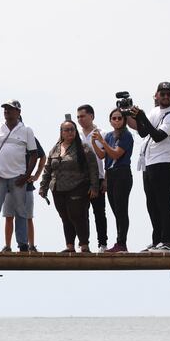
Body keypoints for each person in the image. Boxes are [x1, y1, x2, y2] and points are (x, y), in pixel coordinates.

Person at [128, 81, 170, 252]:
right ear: (156, 95)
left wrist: (143, 116)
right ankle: (159, 240)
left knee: (164, 202)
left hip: (166, 162)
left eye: (169, 94)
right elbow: (145, 133)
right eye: (163, 93)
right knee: (152, 203)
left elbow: (159, 136)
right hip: (150, 162)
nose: (166, 96)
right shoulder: (155, 111)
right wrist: (137, 117)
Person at [0, 100, 39, 252]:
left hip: (18, 178)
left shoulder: (27, 130)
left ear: (18, 112)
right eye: (5, 109)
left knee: (21, 212)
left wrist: (27, 175)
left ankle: (22, 244)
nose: (7, 111)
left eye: (10, 109)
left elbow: (35, 154)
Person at [39, 119, 99, 253]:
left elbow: (93, 168)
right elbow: (48, 169)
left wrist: (94, 187)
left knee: (77, 215)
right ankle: (70, 246)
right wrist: (43, 187)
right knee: (65, 217)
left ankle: (84, 245)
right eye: (66, 130)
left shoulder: (83, 148)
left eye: (72, 129)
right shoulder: (55, 148)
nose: (70, 132)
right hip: (57, 188)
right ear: (61, 132)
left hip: (77, 186)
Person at [91, 108, 134, 252]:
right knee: (115, 210)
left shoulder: (126, 135)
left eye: (119, 118)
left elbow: (116, 155)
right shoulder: (109, 135)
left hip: (122, 173)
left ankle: (122, 243)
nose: (116, 121)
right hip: (111, 174)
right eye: (114, 118)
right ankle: (119, 242)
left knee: (121, 210)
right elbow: (103, 156)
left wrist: (102, 140)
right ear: (110, 120)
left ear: (124, 120)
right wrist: (94, 143)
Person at [2, 137, 46, 252]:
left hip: (26, 185)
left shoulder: (29, 137)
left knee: (28, 217)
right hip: (9, 185)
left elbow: (43, 156)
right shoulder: (4, 137)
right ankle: (7, 246)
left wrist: (36, 175)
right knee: (9, 217)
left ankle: (31, 246)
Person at [77, 105, 109, 252]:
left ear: (92, 116)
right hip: (79, 180)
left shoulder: (102, 133)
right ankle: (84, 244)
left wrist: (106, 179)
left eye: (82, 116)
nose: (80, 119)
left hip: (99, 178)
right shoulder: (75, 134)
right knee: (81, 213)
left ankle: (103, 244)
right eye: (78, 117)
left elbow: (108, 158)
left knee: (99, 213)